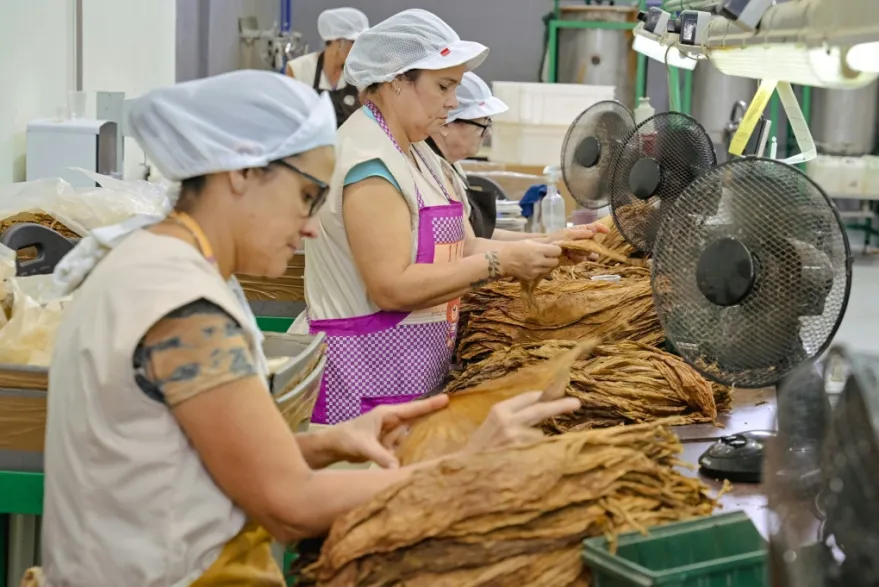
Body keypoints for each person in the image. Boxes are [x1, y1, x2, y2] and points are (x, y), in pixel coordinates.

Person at [35, 71, 580, 587]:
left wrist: (326, 444)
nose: (313, 226)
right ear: (242, 173)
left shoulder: (156, 264)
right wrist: (461, 468)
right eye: (306, 197)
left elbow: (178, 460)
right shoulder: (183, 309)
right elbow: (289, 505)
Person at [296, 9, 604, 426]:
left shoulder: (418, 153)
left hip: (412, 371)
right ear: (396, 79)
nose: (454, 102)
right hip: (363, 380)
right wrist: (501, 264)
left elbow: (464, 243)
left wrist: (550, 244)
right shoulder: (369, 163)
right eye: (443, 86)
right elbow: (391, 288)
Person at [428, 71, 609, 242]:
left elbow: (482, 235)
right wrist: (546, 243)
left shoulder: (450, 168)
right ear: (446, 124)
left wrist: (554, 239)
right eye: (482, 124)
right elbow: (468, 247)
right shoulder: (430, 177)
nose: (488, 133)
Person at [286, 7, 368, 127]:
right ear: (336, 41)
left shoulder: (362, 73)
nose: (359, 48)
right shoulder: (299, 69)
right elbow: (290, 119)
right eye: (353, 41)